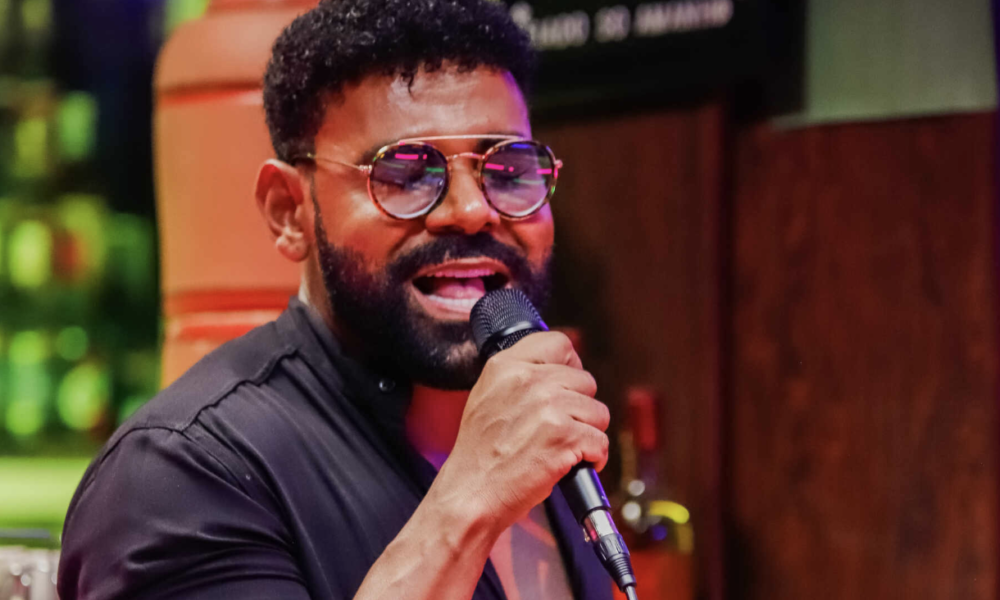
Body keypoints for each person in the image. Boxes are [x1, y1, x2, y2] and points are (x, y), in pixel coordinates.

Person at [57, 1, 614, 598]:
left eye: (507, 169)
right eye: (406, 174)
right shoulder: (180, 473)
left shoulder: (546, 439)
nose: (473, 210)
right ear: (288, 210)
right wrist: (471, 500)